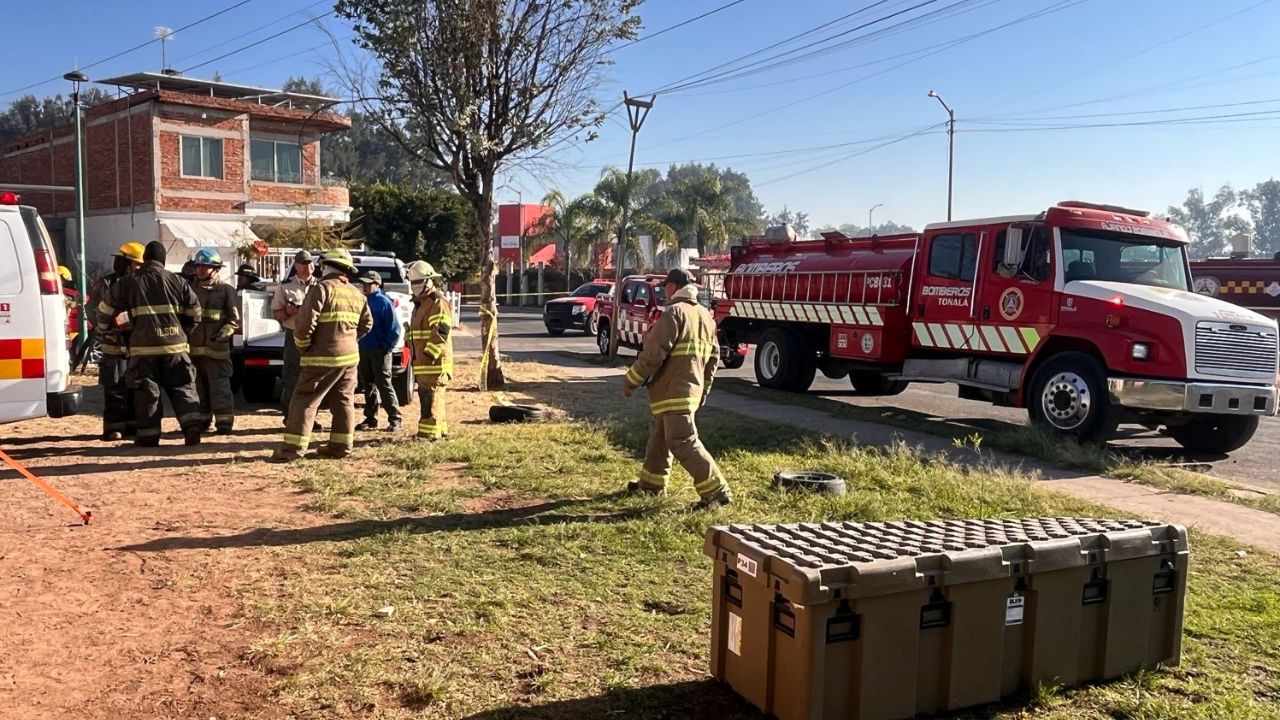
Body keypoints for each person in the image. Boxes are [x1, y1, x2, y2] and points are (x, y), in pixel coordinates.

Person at [621, 268, 732, 509]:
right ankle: (651, 486)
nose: (664, 293)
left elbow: (653, 354)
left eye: (665, 288)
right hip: (687, 392)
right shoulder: (705, 316)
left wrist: (631, 379)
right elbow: (714, 359)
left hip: (673, 392)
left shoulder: (673, 313)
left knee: (683, 440)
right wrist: (703, 391)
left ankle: (717, 493)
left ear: (673, 287)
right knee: (660, 439)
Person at [97, 241, 204, 447]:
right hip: (175, 348)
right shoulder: (178, 282)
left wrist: (104, 330)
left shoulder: (129, 282)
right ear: (163, 261)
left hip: (143, 350)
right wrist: (183, 332)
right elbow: (195, 313)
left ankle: (148, 436)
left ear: (145, 260)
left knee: (147, 393)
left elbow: (105, 309)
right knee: (183, 388)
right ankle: (191, 428)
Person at [270, 249, 372, 463]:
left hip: (320, 357)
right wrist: (349, 341)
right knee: (344, 399)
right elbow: (366, 325)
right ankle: (341, 445)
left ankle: (292, 449)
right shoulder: (357, 293)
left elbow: (304, 325)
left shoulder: (321, 289)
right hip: (350, 358)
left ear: (326, 266)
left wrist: (304, 347)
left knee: (304, 399)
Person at [89, 241, 144, 441]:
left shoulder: (142, 284)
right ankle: (114, 428)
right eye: (137, 264)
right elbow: (93, 311)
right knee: (114, 387)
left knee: (136, 387)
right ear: (125, 263)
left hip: (136, 346)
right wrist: (107, 329)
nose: (140, 268)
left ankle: (133, 426)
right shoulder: (105, 284)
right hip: (113, 345)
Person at [187, 249, 241, 434]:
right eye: (199, 266)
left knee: (220, 389)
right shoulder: (190, 290)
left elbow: (234, 320)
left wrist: (224, 332)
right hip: (194, 351)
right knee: (198, 389)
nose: (201, 270)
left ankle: (224, 423)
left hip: (216, 351)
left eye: (206, 267)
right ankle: (203, 421)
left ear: (216, 268)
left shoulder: (226, 291)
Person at [271, 250, 321, 430]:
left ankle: (309, 418)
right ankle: (290, 416)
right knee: (292, 377)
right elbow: (276, 313)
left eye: (309, 263)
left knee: (313, 377)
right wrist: (288, 312)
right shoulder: (285, 287)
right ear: (296, 266)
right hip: (294, 336)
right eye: (303, 263)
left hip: (316, 337)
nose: (307, 266)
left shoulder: (322, 287)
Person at [406, 261, 453, 440]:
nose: (414, 287)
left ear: (429, 281)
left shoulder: (437, 303)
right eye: (412, 283)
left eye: (418, 282)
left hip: (434, 362)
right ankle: (440, 431)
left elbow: (441, 332)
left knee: (432, 398)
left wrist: (429, 355)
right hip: (422, 363)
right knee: (431, 397)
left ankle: (428, 435)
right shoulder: (420, 304)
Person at [355, 270, 403, 432]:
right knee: (368, 385)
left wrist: (385, 347)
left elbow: (395, 328)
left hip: (380, 351)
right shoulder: (362, 301)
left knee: (384, 383)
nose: (365, 286)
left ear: (377, 284)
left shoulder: (383, 302)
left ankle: (395, 418)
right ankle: (370, 418)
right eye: (364, 284)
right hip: (364, 349)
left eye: (368, 284)